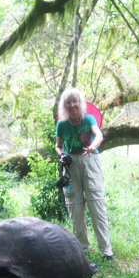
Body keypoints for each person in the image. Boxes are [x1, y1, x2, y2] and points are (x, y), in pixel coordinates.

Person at [55, 87, 113, 260]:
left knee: (97, 205)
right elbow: (58, 145)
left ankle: (106, 250)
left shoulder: (89, 119)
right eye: (68, 102)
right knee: (75, 207)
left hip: (90, 161)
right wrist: (61, 155)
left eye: (75, 101)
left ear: (80, 103)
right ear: (64, 106)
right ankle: (82, 250)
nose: (72, 105)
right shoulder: (62, 124)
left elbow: (99, 135)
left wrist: (93, 146)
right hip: (71, 165)